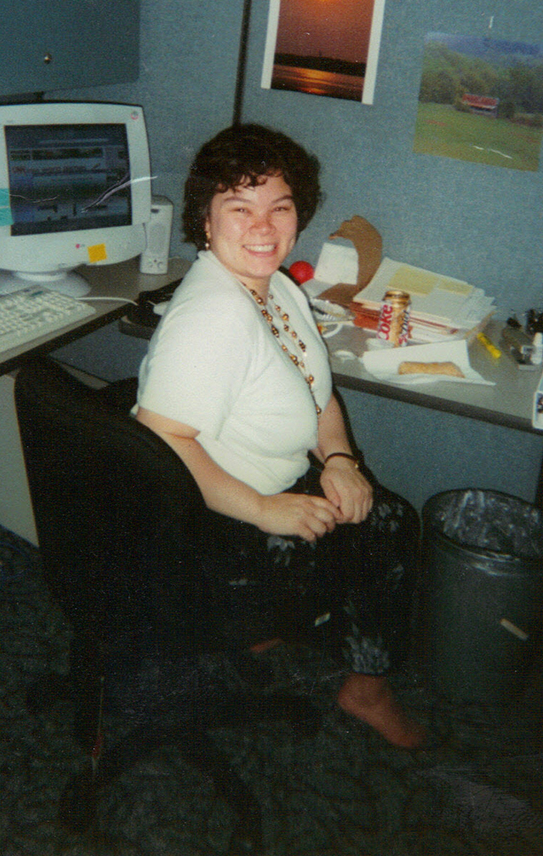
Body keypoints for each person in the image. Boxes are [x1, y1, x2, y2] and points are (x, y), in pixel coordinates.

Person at [135, 123, 425, 749]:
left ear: (299, 218)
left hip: (265, 490)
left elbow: (316, 388)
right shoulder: (213, 316)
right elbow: (161, 442)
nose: (262, 227)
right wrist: (267, 510)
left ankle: (266, 628)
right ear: (205, 222)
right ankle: (365, 690)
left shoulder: (278, 289)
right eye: (239, 208)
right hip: (216, 523)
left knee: (365, 499)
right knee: (393, 525)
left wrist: (342, 459)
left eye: (280, 208)